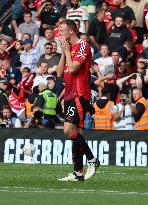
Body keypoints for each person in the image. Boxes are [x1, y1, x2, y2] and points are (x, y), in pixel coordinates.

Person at [57, 19, 99, 182]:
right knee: (76, 134)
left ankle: (92, 159)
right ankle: (78, 173)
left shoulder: (83, 45)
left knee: (68, 130)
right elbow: (60, 73)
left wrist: (67, 52)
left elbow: (74, 68)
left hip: (80, 94)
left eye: (62, 30)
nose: (60, 34)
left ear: (71, 31)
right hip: (68, 95)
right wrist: (63, 52)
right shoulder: (67, 47)